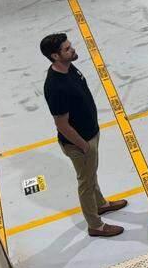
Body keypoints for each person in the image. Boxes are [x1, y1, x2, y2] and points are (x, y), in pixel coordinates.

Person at [40, 33, 127, 237]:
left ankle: (101, 204)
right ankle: (95, 225)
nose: (72, 50)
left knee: (91, 174)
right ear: (55, 56)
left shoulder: (69, 68)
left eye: (70, 46)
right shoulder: (55, 86)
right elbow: (61, 124)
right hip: (79, 144)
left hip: (90, 134)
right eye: (67, 49)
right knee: (86, 183)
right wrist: (84, 146)